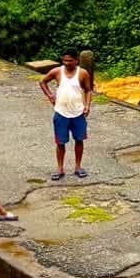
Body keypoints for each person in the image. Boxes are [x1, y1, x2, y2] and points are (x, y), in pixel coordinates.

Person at [41, 50, 93, 181]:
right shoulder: (57, 71)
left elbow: (88, 90)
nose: (67, 63)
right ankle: (60, 168)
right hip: (61, 113)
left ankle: (78, 167)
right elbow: (43, 82)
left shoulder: (82, 73)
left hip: (78, 113)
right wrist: (50, 96)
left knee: (79, 140)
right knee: (60, 143)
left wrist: (87, 106)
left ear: (76, 61)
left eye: (70, 60)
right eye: (64, 60)